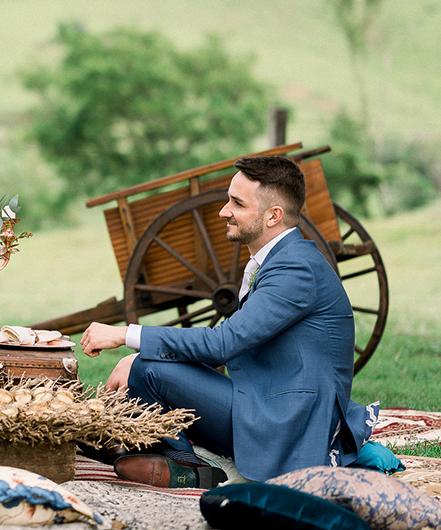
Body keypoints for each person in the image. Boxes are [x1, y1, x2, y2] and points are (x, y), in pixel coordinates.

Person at [81, 155, 376, 486]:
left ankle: (184, 467)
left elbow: (222, 343)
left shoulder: (296, 268)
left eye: (237, 203)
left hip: (287, 425)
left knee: (146, 370)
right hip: (266, 399)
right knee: (146, 364)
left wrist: (126, 336)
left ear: (273, 216)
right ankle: (146, 452)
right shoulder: (282, 258)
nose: (224, 211)